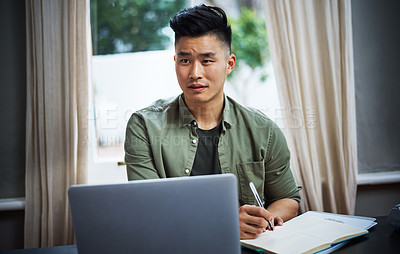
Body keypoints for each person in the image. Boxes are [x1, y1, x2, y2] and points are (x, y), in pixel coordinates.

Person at [124, 4, 300, 239]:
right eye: (185, 61)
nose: (195, 73)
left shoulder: (263, 129)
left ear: (229, 64)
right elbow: (147, 210)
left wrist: (263, 219)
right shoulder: (143, 126)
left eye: (207, 61)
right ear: (175, 61)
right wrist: (224, 223)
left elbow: (288, 200)